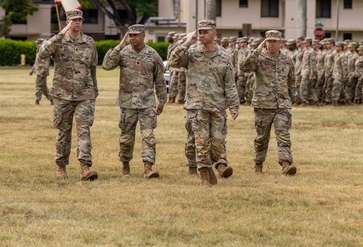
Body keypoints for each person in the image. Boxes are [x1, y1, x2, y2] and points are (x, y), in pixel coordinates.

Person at [167, 19, 239, 186]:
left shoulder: (223, 55)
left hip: (217, 105)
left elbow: (229, 83)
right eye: (200, 32)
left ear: (214, 34)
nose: (202, 35)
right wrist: (186, 41)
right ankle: (205, 175)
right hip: (196, 105)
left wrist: (234, 105)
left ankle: (212, 163)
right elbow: (173, 61)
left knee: (218, 142)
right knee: (201, 141)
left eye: (205, 32)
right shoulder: (191, 53)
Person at [39, 9, 99, 180]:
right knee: (63, 132)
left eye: (79, 20)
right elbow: (43, 52)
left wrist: (94, 88)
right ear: (67, 22)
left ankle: (85, 168)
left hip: (85, 94)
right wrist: (60, 34)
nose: (77, 23)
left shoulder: (89, 42)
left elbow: (93, 66)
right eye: (73, 20)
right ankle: (61, 167)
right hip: (62, 94)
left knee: (84, 131)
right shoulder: (58, 41)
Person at [101, 24, 167, 178]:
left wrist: (162, 101)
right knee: (126, 137)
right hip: (127, 103)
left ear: (143, 35)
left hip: (147, 103)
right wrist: (119, 46)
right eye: (130, 35)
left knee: (149, 136)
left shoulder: (153, 55)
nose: (133, 38)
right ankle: (125, 166)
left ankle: (148, 168)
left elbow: (160, 80)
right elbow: (106, 65)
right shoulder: (123, 53)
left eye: (136, 35)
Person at [239, 30, 297, 175]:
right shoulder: (259, 58)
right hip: (263, 105)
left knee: (283, 134)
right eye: (268, 41)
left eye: (274, 41)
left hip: (282, 105)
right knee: (262, 137)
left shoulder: (287, 60)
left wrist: (290, 99)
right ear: (265, 42)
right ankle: (258, 164)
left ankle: (285, 164)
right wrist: (256, 51)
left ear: (280, 43)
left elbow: (291, 81)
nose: (271, 44)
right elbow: (244, 67)